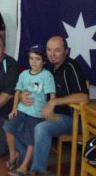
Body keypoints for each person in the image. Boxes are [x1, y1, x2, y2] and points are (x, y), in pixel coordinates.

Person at [19, 36, 89, 176]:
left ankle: (38, 170)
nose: (52, 54)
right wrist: (21, 96)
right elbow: (33, 87)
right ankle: (22, 161)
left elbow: (84, 97)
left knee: (41, 128)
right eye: (49, 50)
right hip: (49, 114)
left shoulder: (71, 67)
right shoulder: (49, 68)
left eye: (57, 50)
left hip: (73, 119)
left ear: (66, 51)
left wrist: (53, 102)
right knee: (18, 120)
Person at [3, 45, 56, 176]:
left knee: (32, 139)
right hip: (21, 110)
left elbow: (52, 96)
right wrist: (14, 108)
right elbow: (17, 92)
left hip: (37, 113)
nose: (34, 61)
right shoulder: (24, 74)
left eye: (37, 59)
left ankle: (25, 166)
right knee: (8, 127)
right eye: (31, 58)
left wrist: (49, 110)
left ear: (44, 61)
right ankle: (13, 154)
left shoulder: (47, 75)